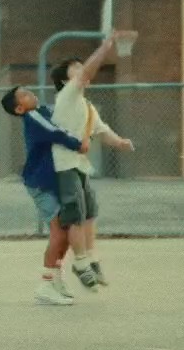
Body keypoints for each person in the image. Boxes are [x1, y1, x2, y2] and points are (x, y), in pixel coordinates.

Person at [49, 31, 137, 291]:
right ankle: (80, 263)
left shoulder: (87, 106)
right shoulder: (67, 95)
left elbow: (101, 130)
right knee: (75, 215)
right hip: (64, 165)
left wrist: (120, 142)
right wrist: (105, 47)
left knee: (90, 213)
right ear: (66, 79)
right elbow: (87, 72)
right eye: (76, 68)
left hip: (79, 165)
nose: (82, 70)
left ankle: (90, 258)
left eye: (81, 66)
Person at [0, 85, 90, 306]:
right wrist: (77, 144)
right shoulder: (33, 117)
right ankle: (45, 285)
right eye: (24, 94)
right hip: (40, 184)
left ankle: (56, 279)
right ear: (19, 109)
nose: (31, 93)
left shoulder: (42, 112)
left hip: (54, 181)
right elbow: (55, 133)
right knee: (58, 233)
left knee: (66, 232)